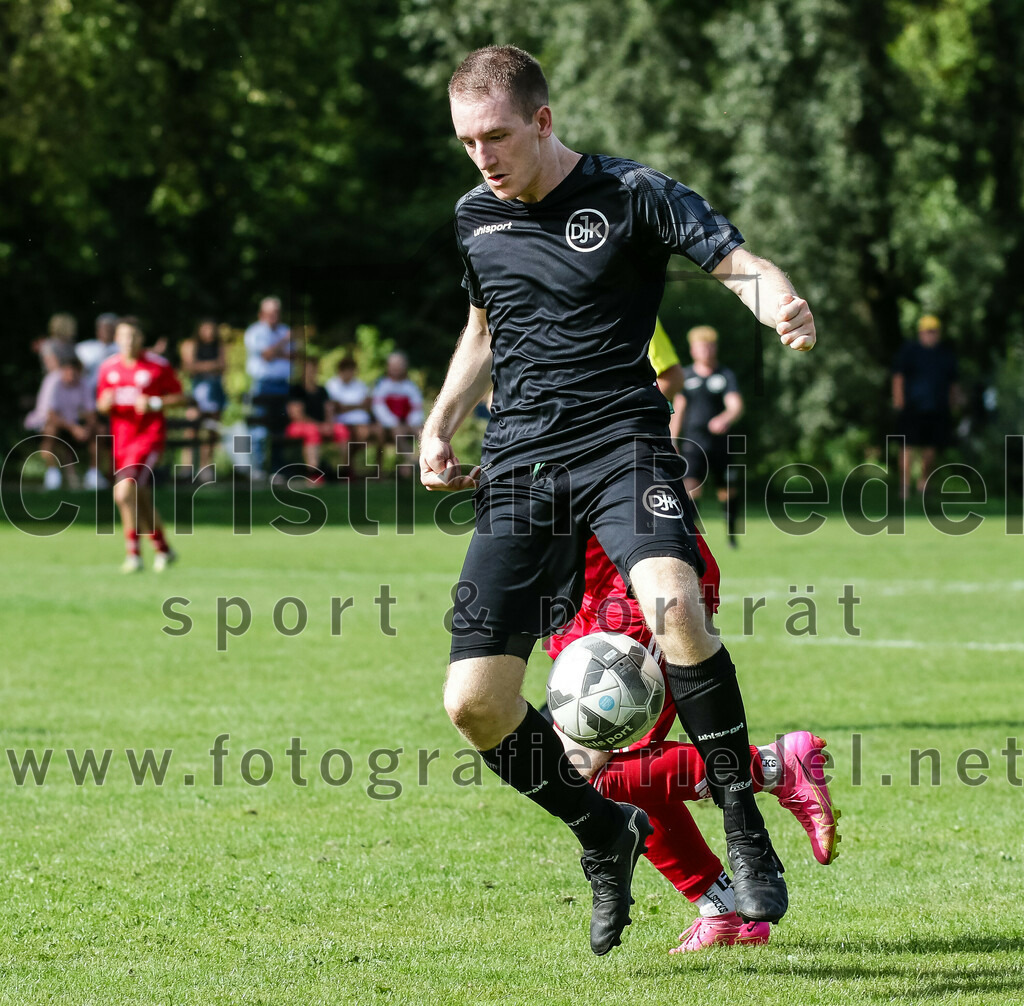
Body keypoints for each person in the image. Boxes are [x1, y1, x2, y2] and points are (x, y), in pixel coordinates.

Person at [420, 46, 816, 955]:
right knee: (474, 704)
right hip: (519, 466)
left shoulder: (633, 193)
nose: (483, 156)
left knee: (674, 602)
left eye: (497, 136)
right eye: (467, 142)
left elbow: (736, 263)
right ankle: (603, 832)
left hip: (620, 447)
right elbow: (482, 329)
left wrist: (780, 303)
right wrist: (441, 424)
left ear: (543, 121)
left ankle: (744, 827)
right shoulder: (475, 215)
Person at [543, 532, 839, 952]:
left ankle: (772, 767)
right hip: (581, 598)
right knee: (611, 774)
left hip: (631, 582)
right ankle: (723, 911)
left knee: (587, 772)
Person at [96, 318, 185, 572]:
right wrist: (104, 403)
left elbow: (182, 398)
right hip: (122, 442)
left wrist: (155, 403)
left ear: (142, 338)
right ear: (116, 339)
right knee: (140, 496)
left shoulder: (157, 366)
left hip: (148, 439)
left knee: (123, 493)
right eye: (124, 336)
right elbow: (101, 404)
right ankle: (164, 549)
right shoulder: (108, 368)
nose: (129, 341)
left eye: (134, 336)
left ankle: (133, 555)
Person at [672, 325, 744, 547]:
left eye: (709, 346)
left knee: (727, 490)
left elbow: (735, 405)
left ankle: (732, 537)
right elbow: (678, 410)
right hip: (693, 443)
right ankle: (693, 539)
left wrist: (725, 417)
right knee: (691, 489)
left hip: (721, 443)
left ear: (715, 348)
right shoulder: (685, 376)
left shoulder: (725, 375)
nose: (706, 351)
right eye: (701, 347)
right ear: (693, 350)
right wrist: (672, 439)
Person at [892, 314, 960, 500]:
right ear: (920, 333)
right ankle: (904, 487)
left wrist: (954, 403)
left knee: (931, 449)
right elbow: (898, 377)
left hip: (937, 408)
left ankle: (923, 485)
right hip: (912, 408)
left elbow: (953, 382)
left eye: (934, 331)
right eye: (927, 331)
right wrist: (898, 400)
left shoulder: (945, 355)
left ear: (938, 333)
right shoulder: (910, 351)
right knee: (906, 447)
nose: (931, 335)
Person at [24, 351, 101, 490]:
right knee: (50, 430)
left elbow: (91, 412)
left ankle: (93, 474)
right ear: (63, 370)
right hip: (47, 423)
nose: (72, 376)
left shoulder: (83, 382)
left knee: (99, 430)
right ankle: (52, 474)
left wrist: (87, 429)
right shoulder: (52, 382)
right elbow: (51, 415)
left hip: (74, 423)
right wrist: (74, 429)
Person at [244, 296, 293, 478]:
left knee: (280, 428)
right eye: (270, 313)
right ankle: (257, 469)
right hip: (262, 385)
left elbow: (293, 356)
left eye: (277, 312)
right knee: (259, 428)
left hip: (283, 385)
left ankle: (276, 469)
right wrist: (282, 344)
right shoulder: (255, 332)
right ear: (261, 314)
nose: (274, 316)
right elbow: (267, 355)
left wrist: (275, 351)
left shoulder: (285, 330)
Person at [285, 357, 349, 479]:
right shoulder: (296, 390)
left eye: (313, 369)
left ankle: (343, 471)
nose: (311, 372)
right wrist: (319, 425)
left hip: (320, 425)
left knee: (341, 430)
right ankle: (313, 473)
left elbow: (329, 410)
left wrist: (329, 424)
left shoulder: (322, 390)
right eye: (308, 369)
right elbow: (297, 416)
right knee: (312, 431)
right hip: (299, 426)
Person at [179, 318, 227, 478]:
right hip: (196, 392)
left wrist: (201, 366)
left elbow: (223, 365)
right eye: (206, 329)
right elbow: (189, 367)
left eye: (212, 329)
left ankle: (205, 467)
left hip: (215, 393)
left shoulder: (219, 346)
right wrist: (212, 366)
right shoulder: (190, 345)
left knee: (211, 430)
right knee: (191, 429)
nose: (209, 333)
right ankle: (187, 467)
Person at [325, 355, 380, 476]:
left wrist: (349, 406)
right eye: (348, 370)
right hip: (342, 423)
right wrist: (358, 405)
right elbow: (337, 408)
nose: (351, 373)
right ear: (341, 371)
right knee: (357, 434)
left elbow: (367, 404)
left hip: (362, 422)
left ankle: (377, 472)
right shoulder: (332, 385)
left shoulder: (360, 385)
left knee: (376, 432)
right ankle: (347, 469)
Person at [372, 351, 424, 475]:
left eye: (399, 365)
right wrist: (393, 422)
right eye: (393, 366)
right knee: (398, 431)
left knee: (423, 433)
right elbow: (378, 407)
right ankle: (413, 460)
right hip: (389, 425)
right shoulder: (382, 385)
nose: (396, 369)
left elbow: (417, 407)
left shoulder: (410, 386)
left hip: (408, 423)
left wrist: (411, 422)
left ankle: (422, 460)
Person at [76, 312, 120, 389]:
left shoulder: (122, 348)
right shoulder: (83, 348)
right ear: (97, 330)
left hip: (115, 388)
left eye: (110, 328)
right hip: (89, 389)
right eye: (104, 328)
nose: (106, 331)